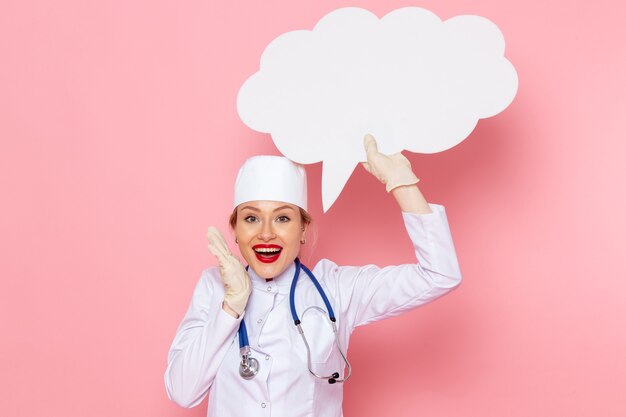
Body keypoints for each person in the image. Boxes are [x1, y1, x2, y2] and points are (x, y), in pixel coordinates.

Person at [164, 135, 462, 417]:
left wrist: (402, 185)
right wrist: (230, 307)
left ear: (303, 228)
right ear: (236, 230)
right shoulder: (213, 287)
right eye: (251, 218)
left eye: (282, 218)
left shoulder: (336, 289)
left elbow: (439, 274)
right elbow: (182, 391)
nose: (266, 232)